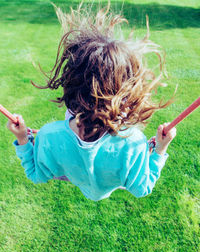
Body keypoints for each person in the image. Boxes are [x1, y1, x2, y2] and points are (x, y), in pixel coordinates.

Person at [7, 3, 176, 201]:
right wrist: (159, 150)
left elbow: (36, 175)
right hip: (105, 179)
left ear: (70, 83)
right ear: (127, 93)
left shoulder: (49, 136)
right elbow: (142, 188)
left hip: (77, 171)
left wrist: (23, 139)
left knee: (76, 121)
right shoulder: (133, 144)